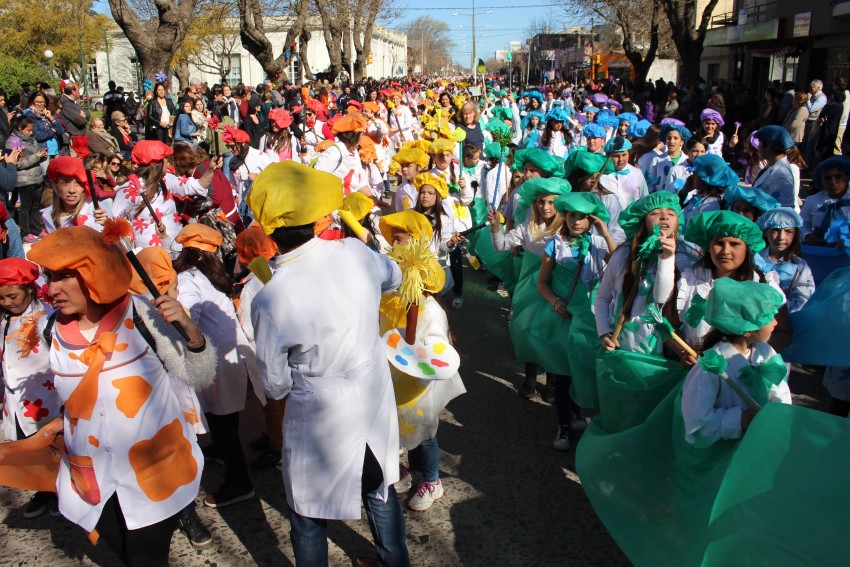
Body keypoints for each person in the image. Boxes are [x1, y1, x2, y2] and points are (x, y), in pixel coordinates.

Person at [248, 162, 410, 566]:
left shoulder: (270, 298)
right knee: (379, 487)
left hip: (318, 412)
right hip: (372, 396)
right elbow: (393, 276)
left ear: (269, 231)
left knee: (308, 513)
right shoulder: (354, 251)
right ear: (316, 217)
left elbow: (276, 385)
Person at [27, 223, 216, 566]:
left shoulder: (141, 313)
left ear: (94, 273)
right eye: (48, 276)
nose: (50, 288)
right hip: (92, 478)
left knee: (146, 558)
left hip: (154, 470)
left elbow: (199, 375)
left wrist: (190, 331)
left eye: (63, 276)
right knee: (124, 554)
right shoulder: (48, 329)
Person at [377, 213, 466, 511]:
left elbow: (436, 348)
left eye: (400, 237)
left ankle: (431, 479)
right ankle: (411, 469)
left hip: (422, 381)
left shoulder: (430, 311)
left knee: (424, 430)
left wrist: (424, 354)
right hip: (399, 374)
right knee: (403, 426)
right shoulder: (397, 301)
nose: (394, 241)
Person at [172, 224, 255, 507]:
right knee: (225, 421)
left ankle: (239, 482)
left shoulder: (188, 278)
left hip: (217, 360)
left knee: (223, 424)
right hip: (231, 356)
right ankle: (222, 453)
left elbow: (186, 312)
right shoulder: (213, 275)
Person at [536, 192, 615, 448]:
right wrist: (556, 302)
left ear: (590, 220)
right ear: (565, 217)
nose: (576, 222)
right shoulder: (554, 244)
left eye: (582, 217)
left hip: (590, 319)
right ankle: (564, 427)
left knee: (582, 367)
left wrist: (605, 232)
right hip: (563, 317)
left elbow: (620, 265)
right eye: (572, 216)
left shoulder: (598, 244)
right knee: (562, 372)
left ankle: (577, 410)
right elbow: (542, 284)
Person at [666, 210, 793, 365]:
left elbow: (783, 333)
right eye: (719, 243)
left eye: (734, 244)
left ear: (747, 248)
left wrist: (744, 358)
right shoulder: (689, 281)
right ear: (708, 246)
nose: (725, 251)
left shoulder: (763, 285)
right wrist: (685, 353)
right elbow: (668, 327)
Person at [681, 278, 791, 448]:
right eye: (768, 317)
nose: (776, 322)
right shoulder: (709, 367)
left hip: (760, 446)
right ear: (746, 329)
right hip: (723, 457)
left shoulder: (766, 352)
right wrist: (738, 420)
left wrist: (775, 409)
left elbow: (781, 390)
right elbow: (696, 421)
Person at [489, 177, 571, 400]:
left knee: (553, 333)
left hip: (558, 286)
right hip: (530, 286)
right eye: (542, 202)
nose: (545, 207)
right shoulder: (528, 227)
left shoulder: (566, 229)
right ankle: (530, 376)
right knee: (527, 329)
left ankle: (553, 380)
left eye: (552, 202)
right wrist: (496, 227)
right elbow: (501, 246)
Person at [0, 258, 62, 518]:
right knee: (31, 446)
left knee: (53, 445)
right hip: (16, 399)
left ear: (29, 289)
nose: (8, 303)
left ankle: (63, 491)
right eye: (2, 298)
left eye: (12, 296)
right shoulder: (3, 320)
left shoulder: (47, 318)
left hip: (45, 396)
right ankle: (45, 489)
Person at [596, 192, 684, 356]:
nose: (664, 217)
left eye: (671, 214)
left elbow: (660, 298)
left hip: (660, 351)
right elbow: (603, 296)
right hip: (621, 345)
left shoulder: (684, 258)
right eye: (655, 213)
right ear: (642, 221)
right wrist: (604, 332)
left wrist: (667, 257)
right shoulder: (623, 254)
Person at [111, 140, 222, 255]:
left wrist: (211, 169)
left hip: (175, 247)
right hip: (151, 255)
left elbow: (196, 186)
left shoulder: (167, 179)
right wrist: (130, 247)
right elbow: (113, 221)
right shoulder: (130, 189)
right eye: (165, 158)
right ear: (157, 163)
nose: (168, 162)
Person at [755, 207, 814, 314]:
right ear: (765, 232)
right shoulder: (754, 258)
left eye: (788, 231)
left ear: (795, 234)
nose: (781, 237)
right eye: (775, 230)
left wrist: (773, 307)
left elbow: (803, 301)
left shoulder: (800, 266)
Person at [5, 115, 46, 240]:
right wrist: (36, 157)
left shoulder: (31, 139)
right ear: (20, 128)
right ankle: (25, 231)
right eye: (28, 130)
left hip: (36, 177)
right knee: (25, 207)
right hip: (24, 179)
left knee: (35, 206)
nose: (31, 132)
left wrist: (42, 155)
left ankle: (36, 228)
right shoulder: (13, 141)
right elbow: (17, 163)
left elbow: (35, 156)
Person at [42, 156, 109, 233]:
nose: (72, 190)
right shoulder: (48, 215)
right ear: (55, 185)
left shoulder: (98, 211)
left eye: (78, 183)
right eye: (65, 183)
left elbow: (119, 242)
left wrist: (107, 225)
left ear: (84, 187)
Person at [800, 155, 850, 245]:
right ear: (821, 181)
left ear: (847, 177)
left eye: (838, 176)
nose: (833, 182)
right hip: (819, 252)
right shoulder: (812, 200)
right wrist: (807, 236)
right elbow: (801, 224)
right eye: (827, 178)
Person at [680, 154, 739, 230]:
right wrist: (684, 192)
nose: (692, 175)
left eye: (696, 172)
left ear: (706, 178)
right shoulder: (702, 196)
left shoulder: (711, 203)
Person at [752, 126, 797, 210]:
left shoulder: (781, 174)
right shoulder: (770, 167)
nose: (758, 147)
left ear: (768, 146)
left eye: (760, 144)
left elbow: (784, 207)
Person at [598, 136, 648, 211]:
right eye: (616, 156)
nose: (621, 160)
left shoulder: (637, 173)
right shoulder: (600, 175)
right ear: (608, 156)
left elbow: (645, 198)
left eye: (624, 155)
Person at [22, 91, 63, 171]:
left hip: (54, 150)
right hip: (42, 151)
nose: (40, 104)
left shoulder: (46, 114)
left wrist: (51, 118)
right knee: (45, 176)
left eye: (42, 102)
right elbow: (37, 135)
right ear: (32, 102)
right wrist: (52, 132)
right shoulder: (29, 115)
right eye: (37, 102)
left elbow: (61, 131)